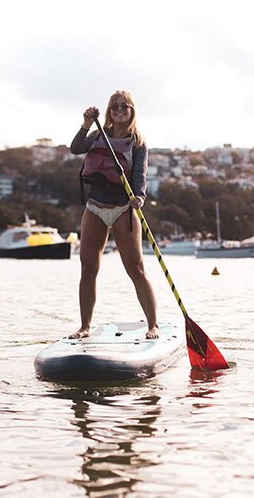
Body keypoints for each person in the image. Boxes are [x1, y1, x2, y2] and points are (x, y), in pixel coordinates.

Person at [68, 90, 159, 340]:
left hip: (123, 209)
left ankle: (153, 326)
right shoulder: (98, 135)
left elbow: (140, 177)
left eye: (124, 106)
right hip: (95, 207)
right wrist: (86, 124)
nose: (119, 110)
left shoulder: (137, 143)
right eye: (115, 106)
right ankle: (84, 327)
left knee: (135, 268)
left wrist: (139, 197)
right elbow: (75, 148)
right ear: (109, 111)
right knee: (88, 267)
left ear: (131, 111)